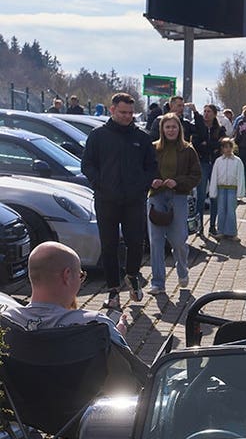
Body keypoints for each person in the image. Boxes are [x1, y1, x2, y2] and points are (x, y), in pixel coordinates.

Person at [0, 241, 149, 387]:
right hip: (82, 409)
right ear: (67, 275)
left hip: (20, 408)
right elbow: (139, 377)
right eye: (80, 275)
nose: (81, 281)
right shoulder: (96, 325)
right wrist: (115, 336)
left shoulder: (6, 321)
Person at [81, 92, 157, 310]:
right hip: (106, 200)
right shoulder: (98, 136)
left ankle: (132, 275)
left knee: (136, 243)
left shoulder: (141, 138)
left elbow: (151, 166)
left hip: (134, 200)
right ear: (112, 110)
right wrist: (100, 183)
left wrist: (142, 185)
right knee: (109, 246)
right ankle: (113, 291)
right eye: (123, 112)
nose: (127, 117)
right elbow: (87, 164)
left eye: (131, 113)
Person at [147, 113, 200, 295]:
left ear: (179, 129)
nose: (171, 130)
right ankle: (158, 283)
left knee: (178, 240)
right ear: (162, 129)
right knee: (156, 241)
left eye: (174, 127)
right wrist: (151, 181)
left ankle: (182, 270)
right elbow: (143, 170)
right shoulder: (153, 148)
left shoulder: (188, 150)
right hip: (156, 197)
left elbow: (196, 175)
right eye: (167, 127)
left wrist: (177, 182)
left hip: (178, 196)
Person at [192, 104, 225, 236]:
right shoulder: (198, 128)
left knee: (214, 195)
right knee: (200, 195)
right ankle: (199, 226)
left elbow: (222, 144)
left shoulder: (219, 129)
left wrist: (209, 144)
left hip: (216, 164)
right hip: (202, 163)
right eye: (204, 111)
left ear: (214, 114)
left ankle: (212, 226)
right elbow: (196, 145)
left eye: (209, 111)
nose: (206, 114)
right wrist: (211, 145)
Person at [209, 137, 244, 241]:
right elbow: (214, 176)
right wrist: (213, 191)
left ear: (232, 148)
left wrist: (240, 191)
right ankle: (221, 231)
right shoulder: (218, 161)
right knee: (221, 210)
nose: (228, 149)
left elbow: (240, 176)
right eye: (225, 147)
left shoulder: (237, 161)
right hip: (221, 188)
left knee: (231, 210)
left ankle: (232, 233)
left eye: (229, 147)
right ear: (222, 149)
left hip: (232, 188)